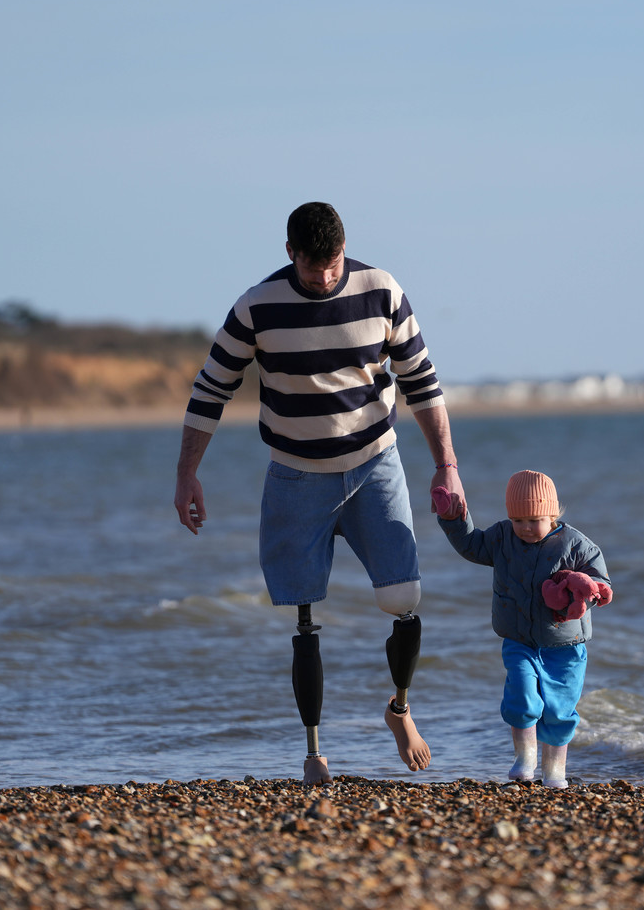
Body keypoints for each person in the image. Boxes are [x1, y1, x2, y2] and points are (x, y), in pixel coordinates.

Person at [173, 202, 466, 784]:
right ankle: (313, 754)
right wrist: (187, 475)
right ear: (290, 254)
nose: (325, 277)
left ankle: (399, 709)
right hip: (295, 474)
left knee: (403, 599)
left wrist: (446, 466)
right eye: (313, 267)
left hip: (373, 464)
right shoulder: (255, 308)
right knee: (304, 616)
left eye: (332, 264)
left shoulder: (381, 291)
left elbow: (421, 383)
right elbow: (210, 392)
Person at [431, 470, 611, 788]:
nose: (525, 528)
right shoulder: (502, 538)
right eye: (517, 520)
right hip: (519, 641)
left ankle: (555, 771)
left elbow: (600, 583)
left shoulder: (576, 545)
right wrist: (453, 518)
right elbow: (471, 545)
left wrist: (587, 593)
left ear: (553, 514)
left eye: (534, 520)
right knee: (523, 699)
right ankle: (525, 758)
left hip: (565, 645)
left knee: (559, 709)